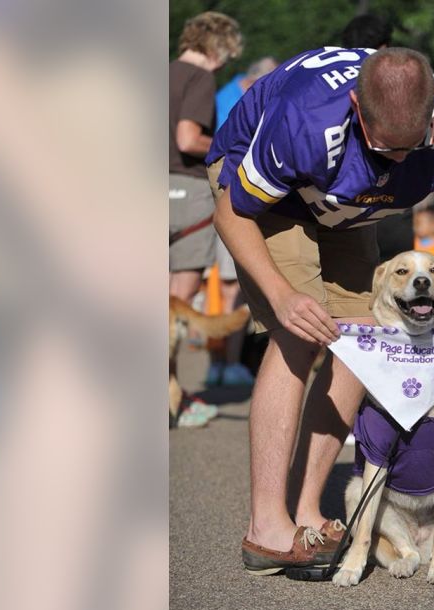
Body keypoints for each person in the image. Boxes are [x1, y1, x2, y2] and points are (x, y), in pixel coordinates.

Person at [206, 47, 434, 574]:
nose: (399, 159)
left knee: (361, 339)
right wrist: (283, 297)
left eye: (412, 147)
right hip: (266, 195)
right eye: (385, 148)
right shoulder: (306, 120)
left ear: (433, 114)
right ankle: (266, 528)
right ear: (356, 106)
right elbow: (232, 213)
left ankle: (307, 510)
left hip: (347, 206)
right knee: (302, 331)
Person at [169, 11, 243, 426]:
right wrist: (231, 145)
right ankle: (174, 402)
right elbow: (187, 138)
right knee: (176, 308)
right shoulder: (198, 79)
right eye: (226, 55)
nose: (224, 64)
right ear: (216, 46)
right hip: (184, 192)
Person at [206, 56, 279, 389]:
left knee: (223, 284)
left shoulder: (225, 92)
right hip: (233, 196)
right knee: (233, 284)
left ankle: (221, 363)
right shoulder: (238, 99)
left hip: (223, 196)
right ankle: (228, 363)